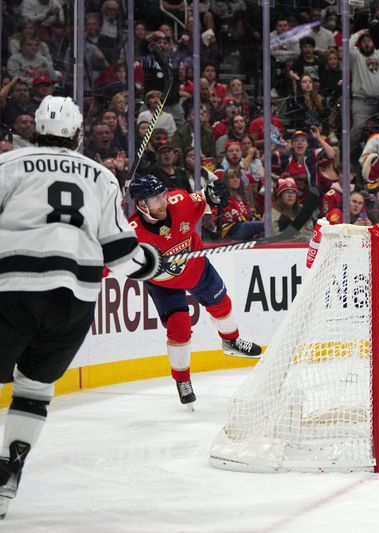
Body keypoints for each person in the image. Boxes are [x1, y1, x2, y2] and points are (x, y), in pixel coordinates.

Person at [0, 96, 167, 519]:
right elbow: (121, 254)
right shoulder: (101, 176)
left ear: (33, 129)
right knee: (35, 387)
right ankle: (6, 479)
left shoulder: (9, 165)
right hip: (74, 300)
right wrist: (151, 264)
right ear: (78, 134)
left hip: (14, 289)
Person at [127, 173, 263, 409]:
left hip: (197, 268)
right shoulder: (131, 233)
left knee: (223, 304)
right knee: (179, 327)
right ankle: (183, 380)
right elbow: (119, 265)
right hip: (163, 284)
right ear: (141, 205)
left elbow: (207, 200)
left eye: (163, 195)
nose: (164, 201)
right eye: (156, 198)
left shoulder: (180, 201)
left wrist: (215, 195)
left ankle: (231, 342)